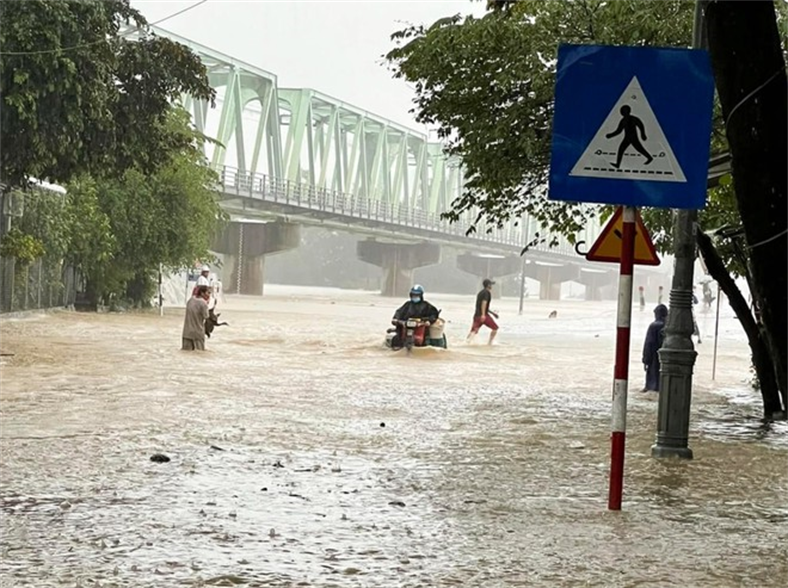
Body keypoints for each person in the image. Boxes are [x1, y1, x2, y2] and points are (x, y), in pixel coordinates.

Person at [642, 304, 668, 392]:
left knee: (651, 388)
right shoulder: (669, 327)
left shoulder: (653, 326)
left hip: (653, 359)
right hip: (665, 359)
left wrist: (645, 359)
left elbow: (648, 343)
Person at [467, 278, 499, 345]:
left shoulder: (481, 293)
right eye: (491, 284)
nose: (491, 286)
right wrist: (483, 315)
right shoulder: (487, 293)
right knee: (495, 328)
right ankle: (489, 343)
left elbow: (484, 306)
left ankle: (466, 343)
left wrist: (493, 313)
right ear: (488, 285)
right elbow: (484, 303)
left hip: (477, 316)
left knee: (473, 332)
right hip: (483, 316)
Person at [182, 285, 210, 351]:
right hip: (198, 334)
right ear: (202, 293)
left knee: (186, 352)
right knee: (199, 353)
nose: (209, 295)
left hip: (186, 333)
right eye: (208, 292)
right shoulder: (203, 303)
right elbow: (206, 316)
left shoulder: (190, 300)